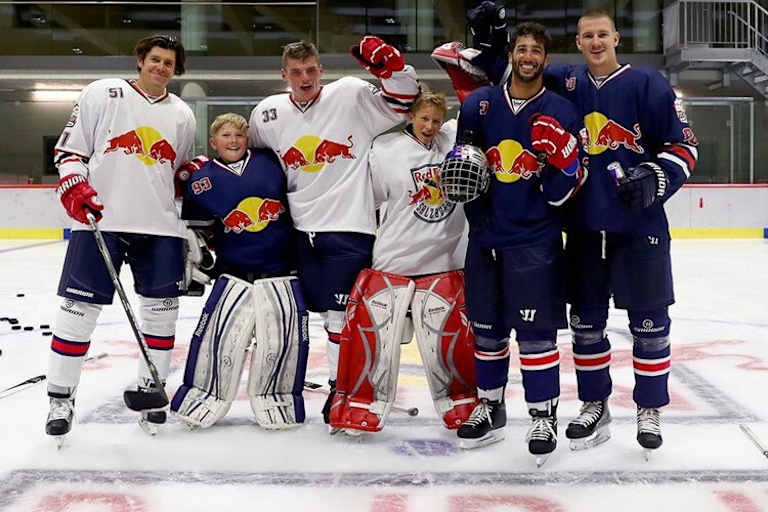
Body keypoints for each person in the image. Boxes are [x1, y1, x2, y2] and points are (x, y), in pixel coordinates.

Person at [540, 9, 698, 454]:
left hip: (640, 229)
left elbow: (684, 145)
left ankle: (649, 409)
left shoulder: (648, 84)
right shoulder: (566, 83)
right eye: (587, 35)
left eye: (602, 35)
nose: (595, 42)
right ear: (578, 42)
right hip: (585, 229)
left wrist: (657, 176)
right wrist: (491, 40)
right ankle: (595, 404)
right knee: (586, 326)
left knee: (650, 326)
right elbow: (517, 71)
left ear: (617, 38)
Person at [246, 38, 420, 426]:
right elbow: (256, 168)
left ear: (320, 69)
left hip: (349, 226)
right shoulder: (267, 113)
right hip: (298, 230)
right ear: (284, 75)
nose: (305, 78)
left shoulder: (351, 93)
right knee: (304, 317)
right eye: (296, 72)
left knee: (340, 318)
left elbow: (405, 101)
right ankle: (309, 385)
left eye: (311, 70)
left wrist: (390, 69)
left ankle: (339, 390)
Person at [46, 34, 196, 439]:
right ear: (140, 60)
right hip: (102, 221)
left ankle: (153, 388)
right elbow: (69, 151)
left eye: (168, 62)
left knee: (162, 313)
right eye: (154, 59)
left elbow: (177, 172)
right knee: (77, 313)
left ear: (175, 69)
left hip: (160, 227)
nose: (160, 67)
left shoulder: (182, 113)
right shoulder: (102, 93)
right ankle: (61, 397)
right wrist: (74, 185)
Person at [449, 22, 585, 464]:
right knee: (486, 334)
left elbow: (563, 191)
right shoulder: (480, 106)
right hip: (487, 239)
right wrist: (478, 217)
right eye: (521, 49)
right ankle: (490, 406)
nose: (528, 56)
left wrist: (564, 161)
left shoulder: (563, 111)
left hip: (535, 242)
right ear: (511, 54)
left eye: (536, 51)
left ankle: (542, 414)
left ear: (545, 59)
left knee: (535, 336)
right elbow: (461, 175)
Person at [328, 92, 478, 435]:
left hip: (444, 260)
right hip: (393, 258)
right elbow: (373, 197)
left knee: (452, 340)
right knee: (373, 339)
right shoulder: (385, 148)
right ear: (410, 115)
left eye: (436, 120)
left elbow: (476, 100)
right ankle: (359, 402)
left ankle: (463, 400)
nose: (430, 126)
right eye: (424, 118)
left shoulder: (451, 139)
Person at [170, 113, 309, 431]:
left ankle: (280, 399)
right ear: (213, 142)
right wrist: (197, 255)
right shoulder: (200, 181)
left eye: (239, 135)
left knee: (283, 342)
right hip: (234, 272)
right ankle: (201, 396)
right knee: (216, 340)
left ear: (248, 139)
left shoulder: (270, 161)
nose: (233, 141)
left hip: (282, 270)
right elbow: (199, 232)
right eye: (226, 136)